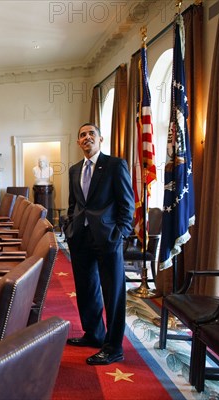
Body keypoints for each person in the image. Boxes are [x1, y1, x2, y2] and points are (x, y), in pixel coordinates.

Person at [63, 123, 134, 366]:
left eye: (91, 133)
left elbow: (127, 204)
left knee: (113, 293)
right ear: (78, 142)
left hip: (108, 238)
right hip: (80, 238)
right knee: (86, 288)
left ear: (100, 139)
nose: (86, 137)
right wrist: (69, 227)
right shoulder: (74, 170)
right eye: (82, 135)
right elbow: (73, 204)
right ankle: (94, 334)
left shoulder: (115, 165)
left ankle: (114, 347)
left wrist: (120, 233)